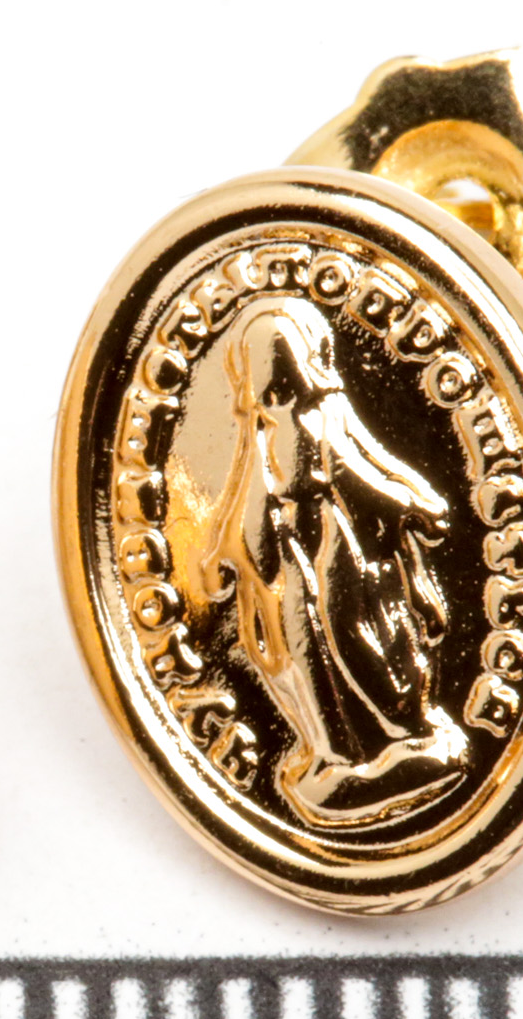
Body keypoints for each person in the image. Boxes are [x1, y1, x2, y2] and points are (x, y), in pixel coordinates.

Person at [198, 295, 467, 827]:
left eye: (281, 376)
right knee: (305, 650)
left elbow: (358, 472)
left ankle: (404, 734)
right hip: (294, 554)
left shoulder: (321, 417)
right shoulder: (266, 427)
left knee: (358, 635)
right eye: (266, 383)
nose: (275, 395)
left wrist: (410, 505)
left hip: (339, 543)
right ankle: (336, 753)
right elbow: (250, 491)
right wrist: (232, 552)